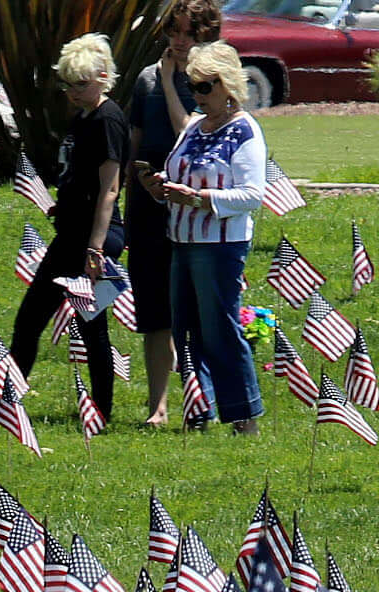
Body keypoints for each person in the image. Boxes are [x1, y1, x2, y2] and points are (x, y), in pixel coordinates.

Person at [135, 42, 269, 434]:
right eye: (194, 86)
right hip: (182, 239)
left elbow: (252, 195)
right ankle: (199, 409)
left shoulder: (245, 131)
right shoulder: (193, 126)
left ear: (228, 85)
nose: (199, 94)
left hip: (221, 246)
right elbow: (179, 170)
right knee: (186, 331)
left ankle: (243, 416)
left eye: (206, 86)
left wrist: (199, 199)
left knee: (220, 329)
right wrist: (160, 186)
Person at [8, 35, 134, 427]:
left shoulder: (108, 119)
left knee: (89, 325)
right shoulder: (82, 118)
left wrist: (95, 251)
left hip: (94, 238)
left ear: (103, 77)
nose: (73, 93)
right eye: (68, 85)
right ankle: (10, 401)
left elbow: (110, 188)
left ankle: (101, 411)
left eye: (81, 84)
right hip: (71, 232)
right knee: (30, 320)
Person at [124, 0, 223, 426]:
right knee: (154, 310)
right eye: (174, 33)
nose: (180, 42)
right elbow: (135, 142)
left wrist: (169, 81)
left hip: (196, 210)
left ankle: (199, 402)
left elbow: (192, 134)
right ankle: (157, 406)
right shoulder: (145, 79)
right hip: (149, 207)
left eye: (190, 33)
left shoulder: (213, 82)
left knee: (198, 310)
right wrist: (133, 187)